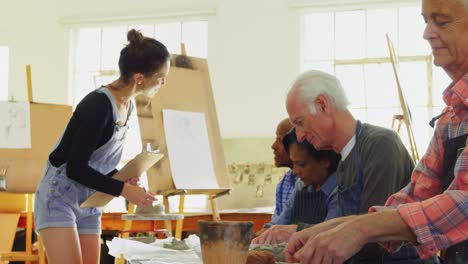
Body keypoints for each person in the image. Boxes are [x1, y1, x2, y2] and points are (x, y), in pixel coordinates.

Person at [285, 0, 468, 263]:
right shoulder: (451, 116)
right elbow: (416, 195)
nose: (427, 33)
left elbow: (465, 203)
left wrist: (360, 230)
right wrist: (329, 230)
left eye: (441, 22)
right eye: (425, 21)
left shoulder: (380, 144)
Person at [34, 29, 170, 264]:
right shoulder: (97, 105)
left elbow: (94, 165)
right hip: (59, 198)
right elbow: (75, 168)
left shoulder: (127, 106)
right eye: (161, 76)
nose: (163, 82)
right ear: (139, 77)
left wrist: (121, 179)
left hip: (91, 201)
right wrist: (123, 190)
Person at [282, 70, 439, 263]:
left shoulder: (381, 145)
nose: (299, 136)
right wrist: (306, 235)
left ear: (323, 105)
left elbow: (374, 239)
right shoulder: (344, 161)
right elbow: (344, 227)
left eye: (300, 122)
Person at [252, 127, 340, 245]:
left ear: (325, 161)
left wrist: (294, 231)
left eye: (302, 165)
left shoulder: (341, 190)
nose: (295, 172)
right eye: (293, 163)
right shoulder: (301, 185)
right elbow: (279, 223)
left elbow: (330, 235)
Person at [255, 119, 298, 236]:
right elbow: (275, 225)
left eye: (280, 139)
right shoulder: (284, 182)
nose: (273, 146)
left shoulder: (310, 181)